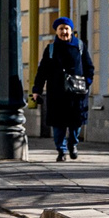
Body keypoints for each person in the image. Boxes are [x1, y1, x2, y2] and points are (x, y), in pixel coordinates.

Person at [31, 15, 94, 160]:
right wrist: (36, 90)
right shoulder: (51, 49)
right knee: (58, 125)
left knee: (76, 124)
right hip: (56, 94)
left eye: (66, 29)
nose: (64, 32)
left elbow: (89, 67)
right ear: (56, 31)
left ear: (71, 31)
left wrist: (86, 82)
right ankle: (61, 150)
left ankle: (73, 143)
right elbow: (42, 71)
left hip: (76, 94)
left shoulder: (80, 46)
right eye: (61, 29)